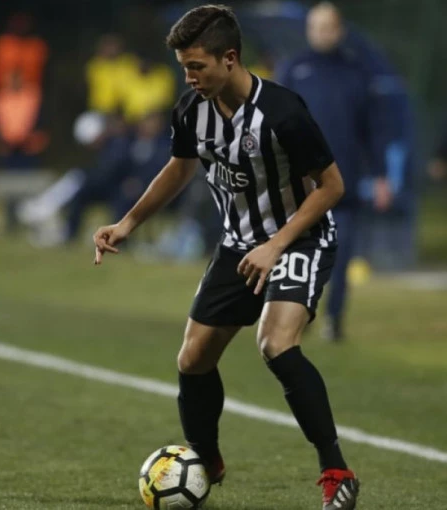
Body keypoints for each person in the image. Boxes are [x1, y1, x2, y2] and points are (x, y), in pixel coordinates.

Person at [92, 6, 359, 510]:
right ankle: (206, 462)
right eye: (183, 67)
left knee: (276, 344)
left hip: (299, 239)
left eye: (196, 66)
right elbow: (179, 169)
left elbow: (331, 187)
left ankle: (336, 471)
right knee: (192, 359)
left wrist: (275, 245)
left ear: (230, 58)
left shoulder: (283, 112)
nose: (188, 77)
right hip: (238, 246)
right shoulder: (192, 110)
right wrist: (127, 223)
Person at [276, 2, 393, 341]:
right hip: (300, 182)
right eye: (315, 27)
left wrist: (381, 176)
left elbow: (373, 130)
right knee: (298, 253)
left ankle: (334, 319)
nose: (321, 33)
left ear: (339, 31)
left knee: (340, 255)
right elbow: (276, 123)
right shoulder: (294, 69)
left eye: (327, 27)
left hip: (344, 182)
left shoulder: (358, 73)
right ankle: (299, 314)